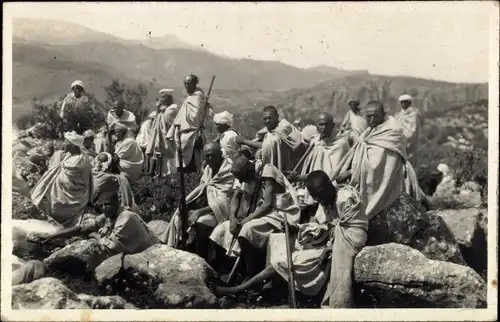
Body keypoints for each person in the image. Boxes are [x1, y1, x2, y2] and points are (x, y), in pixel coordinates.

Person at [215, 171, 368, 308]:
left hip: (343, 245)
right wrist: (302, 229)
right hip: (330, 242)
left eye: (322, 195)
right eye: (317, 198)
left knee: (285, 261)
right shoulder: (326, 200)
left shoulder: (345, 197)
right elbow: (325, 225)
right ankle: (269, 287)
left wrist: (328, 248)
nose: (321, 201)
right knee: (278, 242)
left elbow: (353, 230)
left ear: (329, 185)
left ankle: (238, 289)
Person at [209, 155, 301, 278]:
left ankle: (250, 274)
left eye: (242, 179)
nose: (241, 182)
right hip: (257, 212)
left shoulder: (267, 171)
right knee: (221, 229)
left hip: (277, 213)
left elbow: (267, 204)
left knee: (247, 230)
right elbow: (235, 197)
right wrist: (232, 218)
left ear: (249, 171)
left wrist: (244, 221)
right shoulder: (241, 173)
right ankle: (222, 270)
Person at [32, 177, 158, 257]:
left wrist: (95, 235)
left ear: (117, 203)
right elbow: (82, 227)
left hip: (149, 254)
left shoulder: (126, 217)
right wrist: (52, 236)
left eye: (108, 204)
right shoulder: (108, 215)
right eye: (102, 205)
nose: (105, 208)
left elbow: (111, 246)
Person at [331, 101, 407, 220]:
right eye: (368, 116)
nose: (371, 120)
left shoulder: (391, 133)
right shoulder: (370, 131)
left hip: (383, 180)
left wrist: (351, 172)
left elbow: (380, 164)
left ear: (384, 114)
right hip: (366, 178)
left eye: (375, 116)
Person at [160, 142, 234, 263]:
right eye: (206, 156)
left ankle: (203, 260)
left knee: (201, 222)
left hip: (221, 213)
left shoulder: (229, 171)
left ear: (220, 154)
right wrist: (189, 205)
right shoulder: (208, 169)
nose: (209, 159)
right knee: (179, 216)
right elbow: (203, 191)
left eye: (212, 156)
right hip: (207, 207)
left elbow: (226, 202)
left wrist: (199, 212)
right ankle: (180, 251)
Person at [30, 131, 94, 228]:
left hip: (73, 194)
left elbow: (68, 181)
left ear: (72, 145)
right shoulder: (69, 154)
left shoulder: (80, 161)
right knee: (45, 194)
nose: (63, 144)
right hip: (61, 186)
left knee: (52, 203)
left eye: (66, 142)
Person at [285, 112, 350, 207]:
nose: (323, 128)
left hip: (332, 187)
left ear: (333, 125)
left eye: (326, 124)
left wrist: (300, 177)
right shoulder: (316, 142)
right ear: (316, 126)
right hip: (313, 183)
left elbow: (330, 174)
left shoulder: (341, 144)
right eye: (321, 124)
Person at [165, 75, 213, 174]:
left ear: (195, 84)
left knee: (191, 166)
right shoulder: (191, 97)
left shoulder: (198, 96)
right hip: (183, 134)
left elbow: (194, 117)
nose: (186, 85)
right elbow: (181, 115)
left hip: (192, 135)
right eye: (185, 83)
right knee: (181, 163)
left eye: (188, 83)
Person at [235, 106, 303, 171]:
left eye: (270, 118)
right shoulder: (269, 129)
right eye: (265, 118)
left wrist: (244, 141)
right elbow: (259, 140)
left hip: (288, 166)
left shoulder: (283, 128)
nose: (267, 121)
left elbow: (268, 144)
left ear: (277, 117)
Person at [146, 89, 180, 177]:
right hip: (161, 141)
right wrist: (158, 110)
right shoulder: (163, 109)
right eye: (161, 98)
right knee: (161, 163)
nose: (162, 100)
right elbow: (157, 122)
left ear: (169, 98)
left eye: (164, 97)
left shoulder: (173, 109)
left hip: (169, 140)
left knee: (169, 163)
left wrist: (159, 110)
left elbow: (167, 120)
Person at [395, 94, 421, 168]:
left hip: (409, 145)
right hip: (399, 143)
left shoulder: (413, 115)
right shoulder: (400, 114)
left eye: (405, 102)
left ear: (409, 103)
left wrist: (403, 138)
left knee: (409, 165)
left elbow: (412, 131)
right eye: (401, 102)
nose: (403, 104)